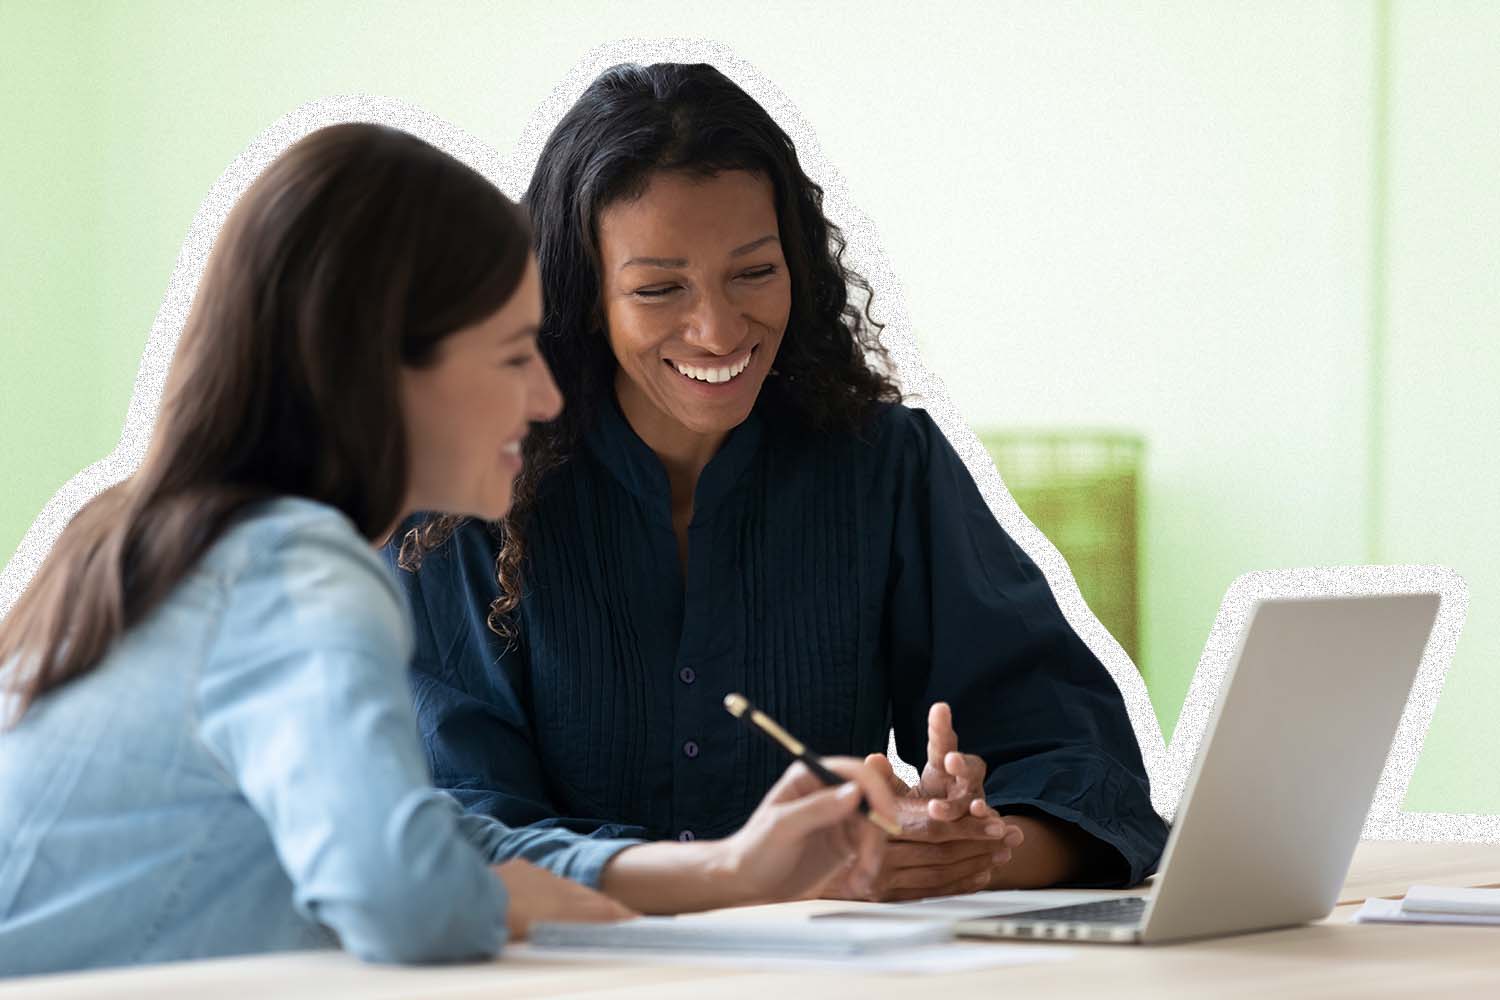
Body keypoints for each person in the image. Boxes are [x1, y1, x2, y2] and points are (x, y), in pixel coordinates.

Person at [0, 122, 897, 978]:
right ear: (380, 367)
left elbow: (420, 842)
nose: (548, 396)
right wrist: (516, 901)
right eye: (513, 355)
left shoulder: (162, 541)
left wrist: (730, 872)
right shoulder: (295, 568)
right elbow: (407, 897)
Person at [389, 62, 1170, 902]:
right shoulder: (469, 495)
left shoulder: (886, 465)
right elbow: (458, 834)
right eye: (658, 288)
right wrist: (756, 878)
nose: (719, 329)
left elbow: (1089, 771)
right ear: (584, 298)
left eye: (755, 273)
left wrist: (957, 851)